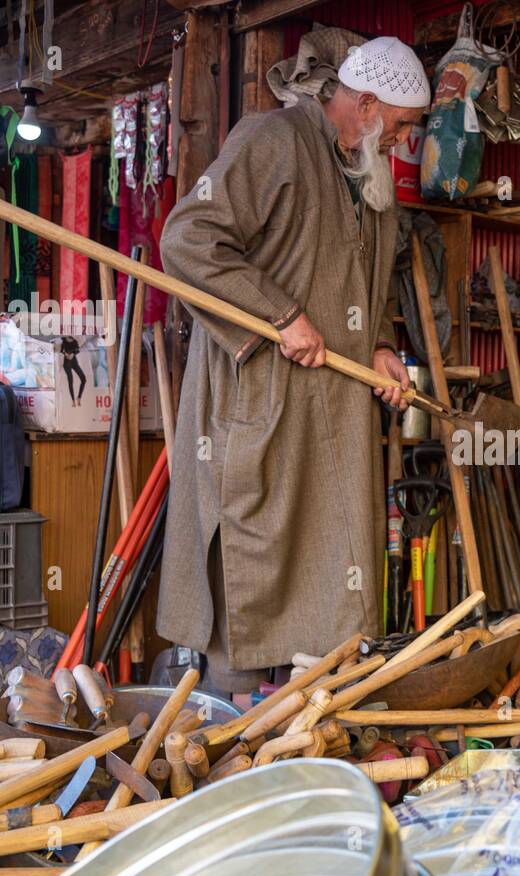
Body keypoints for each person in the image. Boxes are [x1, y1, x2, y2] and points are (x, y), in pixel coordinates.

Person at [155, 37, 429, 694]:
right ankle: (233, 747)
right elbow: (187, 240)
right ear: (365, 103)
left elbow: (366, 284)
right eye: (400, 124)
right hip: (261, 405)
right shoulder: (272, 140)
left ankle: (306, 742)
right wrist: (278, 313)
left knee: (333, 585)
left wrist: (383, 346)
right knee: (255, 582)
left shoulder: (366, 172)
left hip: (332, 420)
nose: (402, 139)